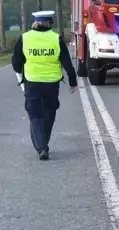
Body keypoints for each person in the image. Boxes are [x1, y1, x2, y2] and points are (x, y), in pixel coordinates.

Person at [11, 10, 78, 161]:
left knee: (34, 114)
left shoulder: (25, 38)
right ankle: (43, 144)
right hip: (51, 84)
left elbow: (16, 63)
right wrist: (73, 80)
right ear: (49, 24)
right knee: (49, 113)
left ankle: (41, 147)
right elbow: (66, 61)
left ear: (34, 23)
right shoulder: (56, 38)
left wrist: (20, 69)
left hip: (32, 82)